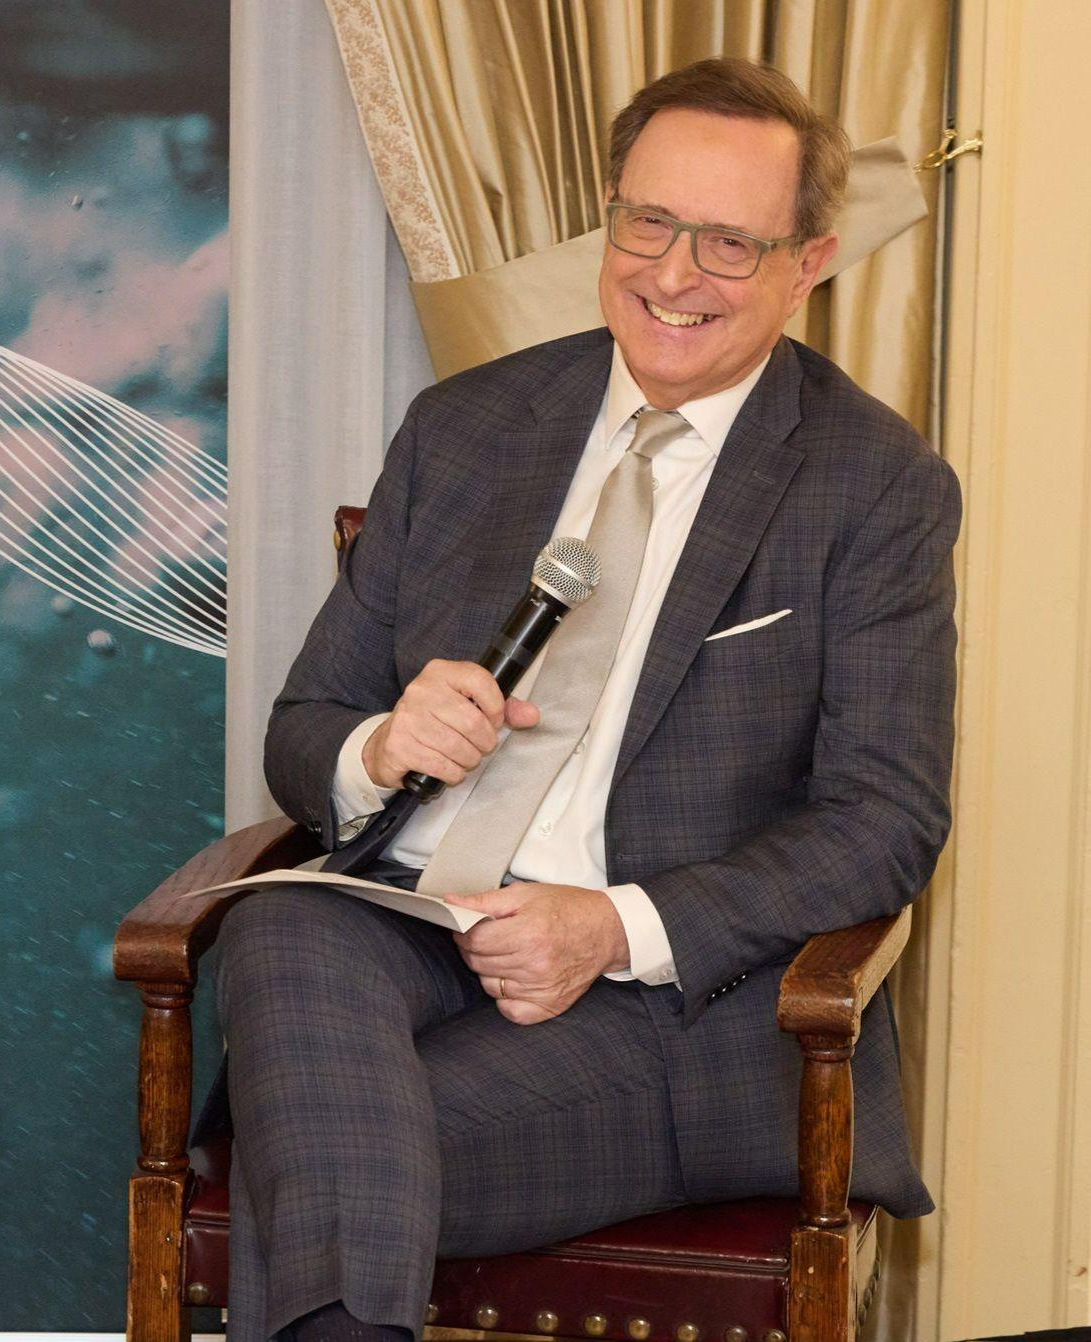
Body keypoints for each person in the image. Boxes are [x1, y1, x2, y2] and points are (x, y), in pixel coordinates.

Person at [220, 57, 957, 1341]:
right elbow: (302, 728)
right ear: (606, 217)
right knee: (281, 928)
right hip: (408, 927)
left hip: (667, 1010)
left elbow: (883, 817)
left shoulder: (872, 484)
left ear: (809, 261)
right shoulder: (465, 427)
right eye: (648, 222)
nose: (672, 275)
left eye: (729, 242)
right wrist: (379, 746)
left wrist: (608, 927)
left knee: (327, 1138)